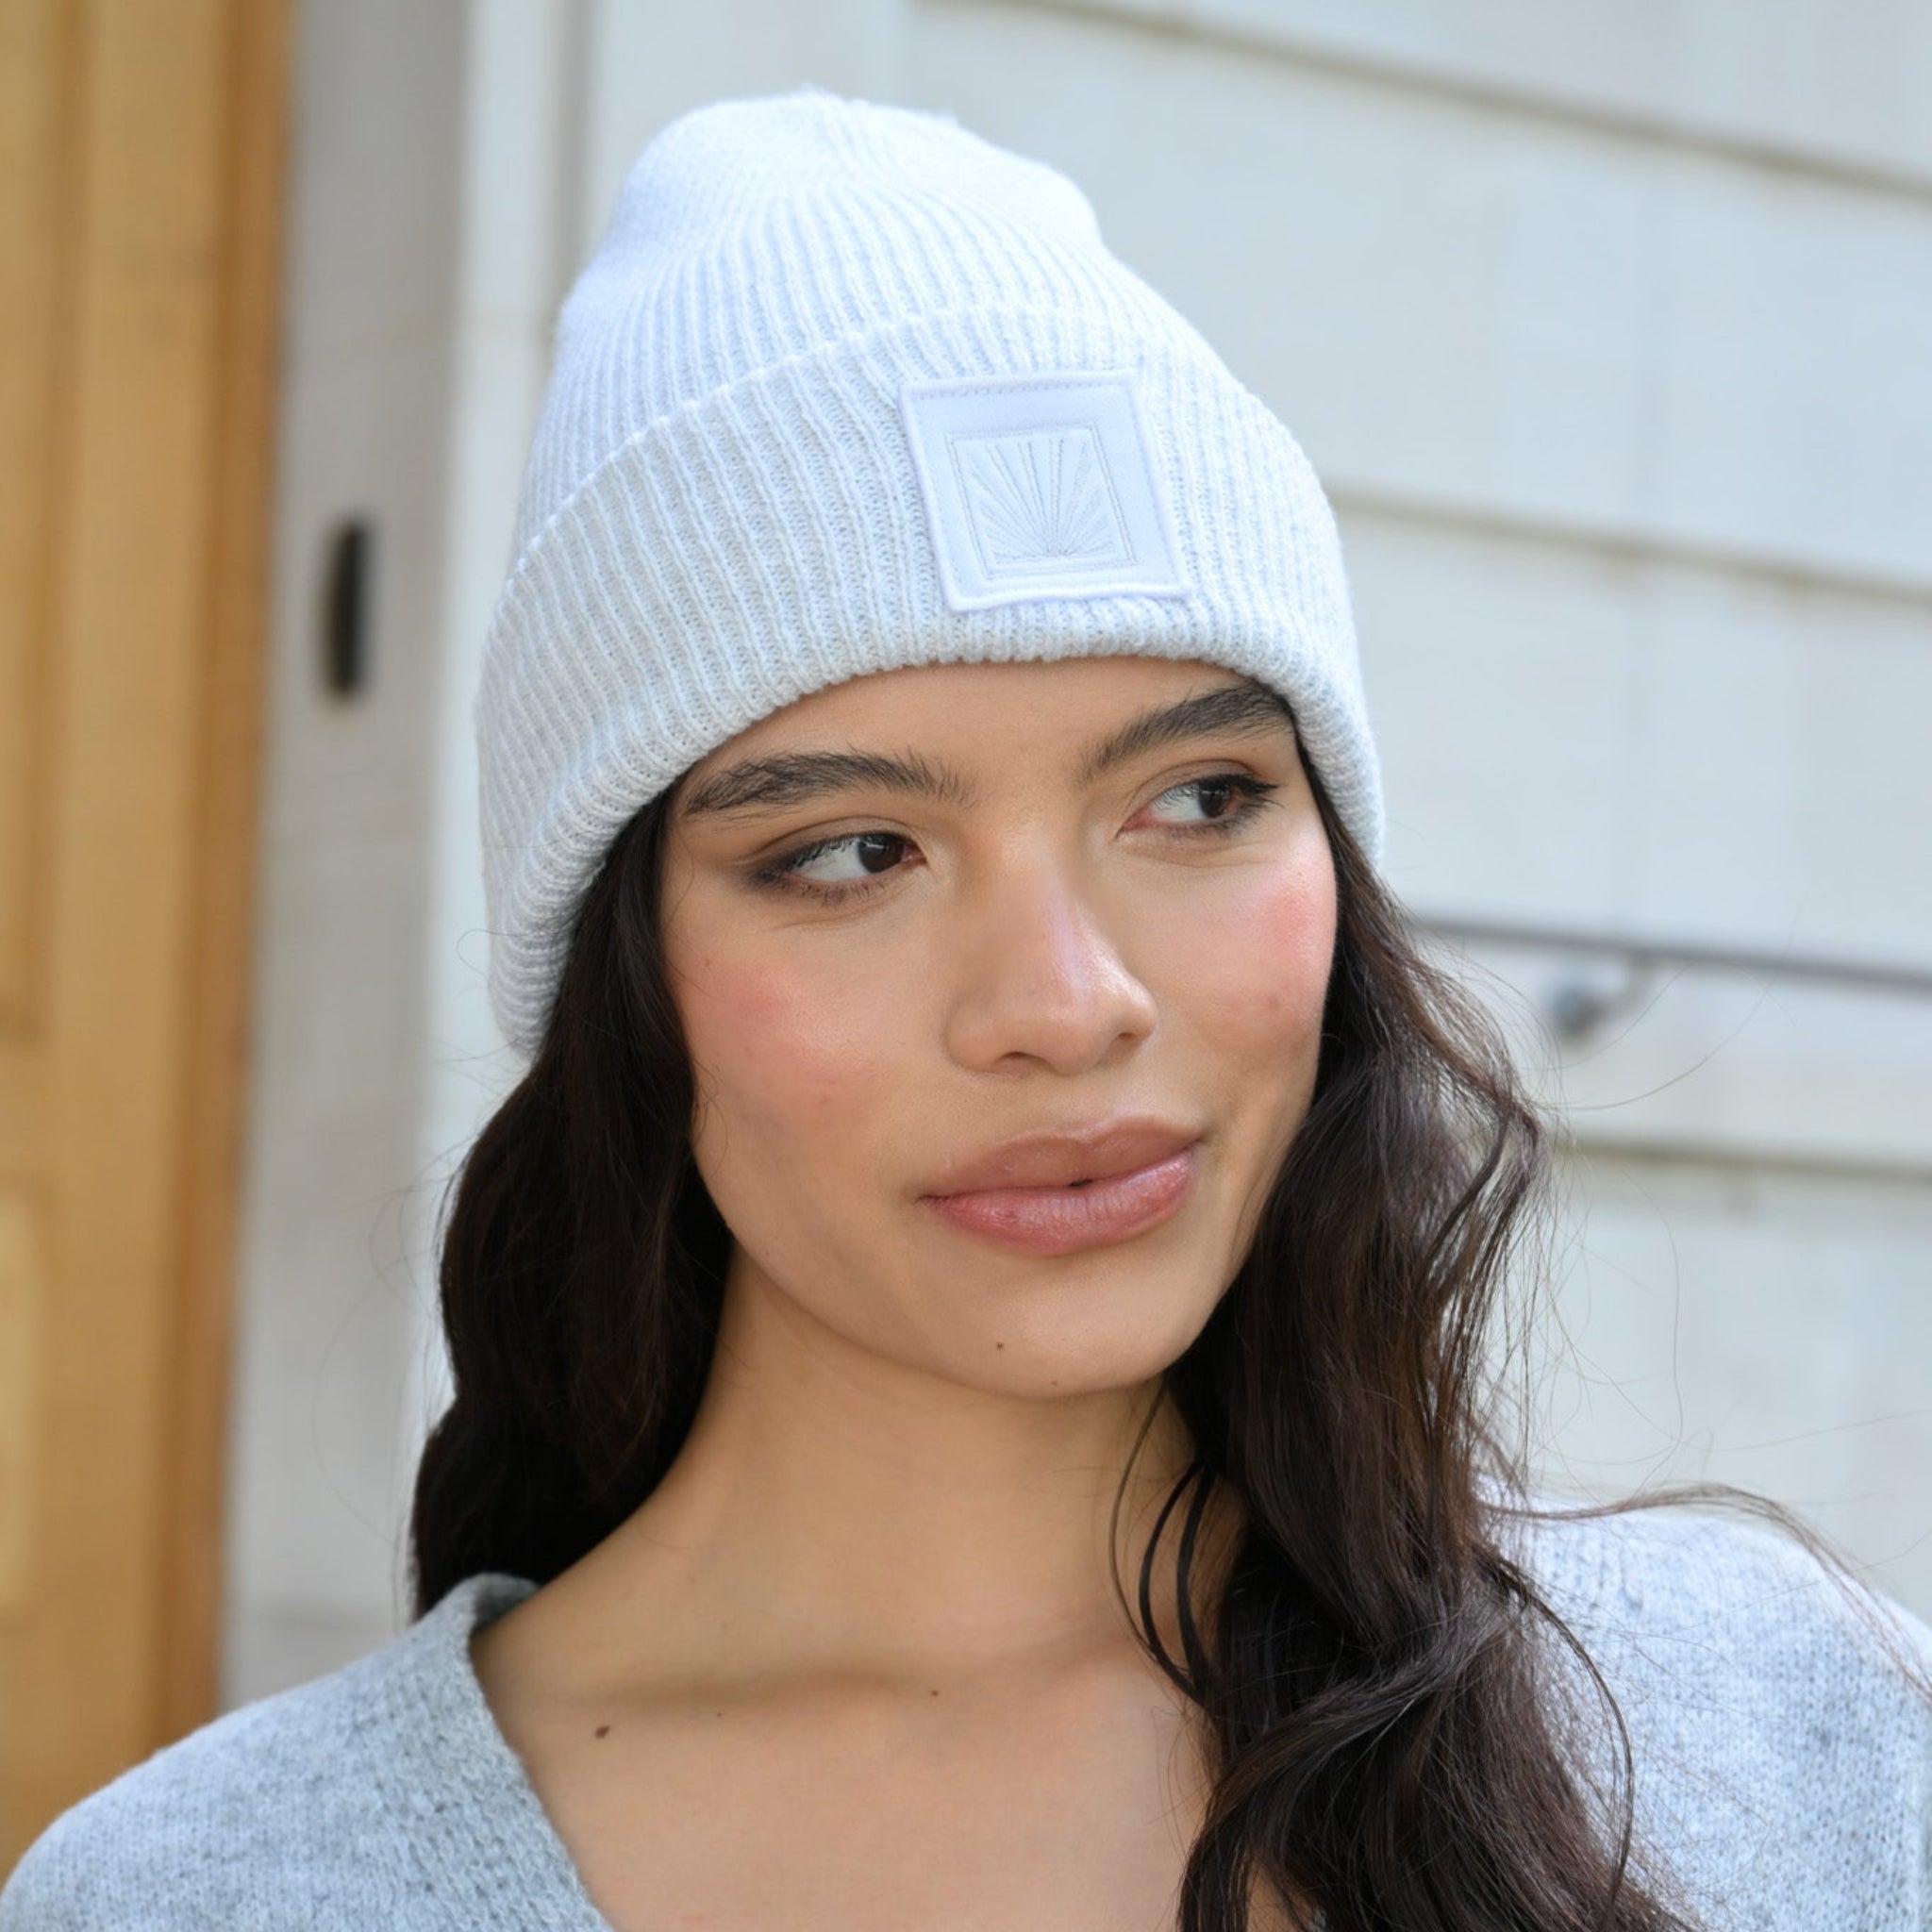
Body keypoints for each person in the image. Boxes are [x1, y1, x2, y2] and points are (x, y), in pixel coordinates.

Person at [5, 88, 1928, 1932]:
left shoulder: (1781, 1722)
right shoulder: (204, 1888)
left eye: (1193, 800)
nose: (1065, 1005)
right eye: (853, 852)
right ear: (624, 976)